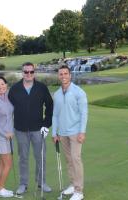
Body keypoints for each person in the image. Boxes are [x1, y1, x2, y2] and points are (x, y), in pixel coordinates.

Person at [8, 62, 53, 195]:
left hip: (38, 129)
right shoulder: (15, 89)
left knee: (41, 157)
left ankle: (41, 182)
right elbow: (8, 109)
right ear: (22, 73)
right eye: (26, 72)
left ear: (34, 73)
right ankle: (23, 184)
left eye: (31, 72)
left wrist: (46, 124)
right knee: (23, 158)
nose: (28, 74)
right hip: (20, 129)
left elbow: (50, 106)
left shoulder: (41, 88)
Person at [52, 64, 88, 200]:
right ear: (58, 76)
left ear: (70, 75)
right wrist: (54, 133)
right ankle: (73, 184)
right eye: (60, 74)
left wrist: (82, 132)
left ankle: (79, 191)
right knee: (68, 160)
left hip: (75, 132)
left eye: (65, 73)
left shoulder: (79, 92)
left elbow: (84, 114)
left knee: (75, 158)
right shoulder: (56, 94)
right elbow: (55, 115)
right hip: (62, 133)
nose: (63, 76)